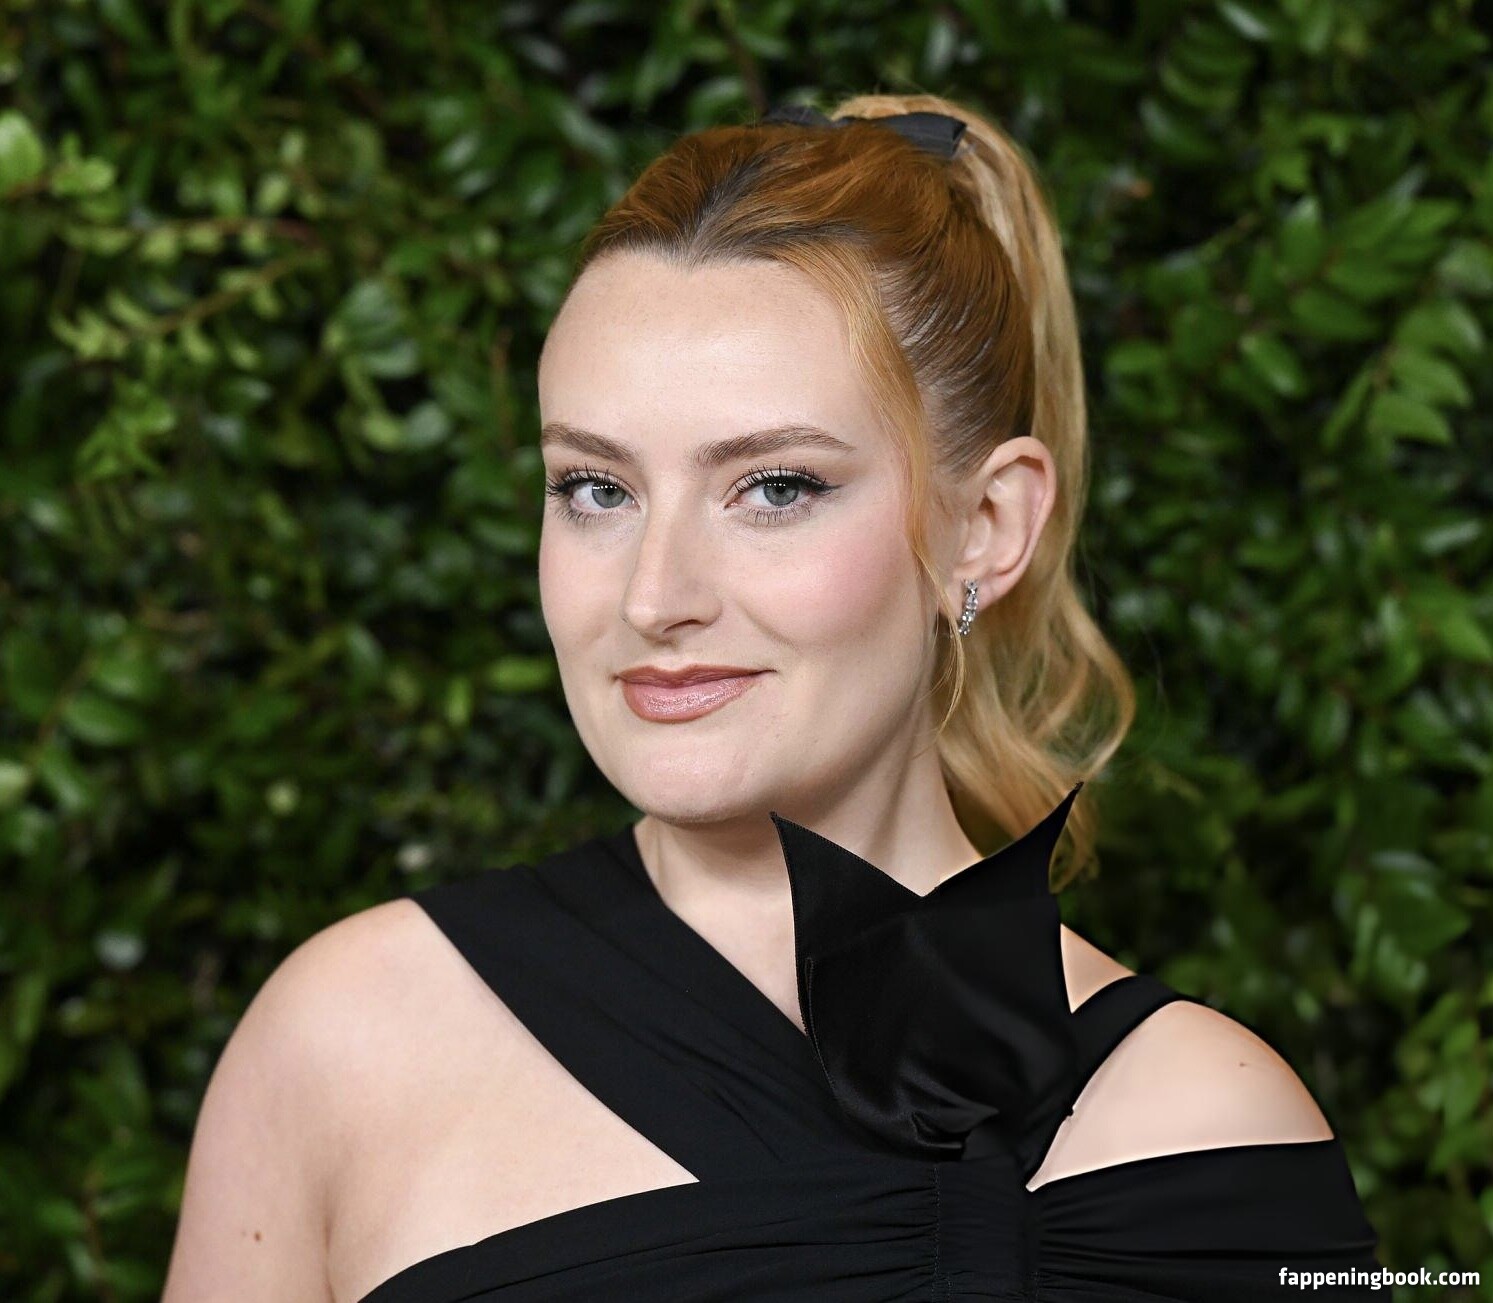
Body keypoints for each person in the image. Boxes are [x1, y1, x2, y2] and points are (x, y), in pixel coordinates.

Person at [161, 93, 1381, 1302]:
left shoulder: (1209, 1129)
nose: (654, 596)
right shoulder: (349, 1042)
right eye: (594, 488)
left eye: (775, 487)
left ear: (985, 525)